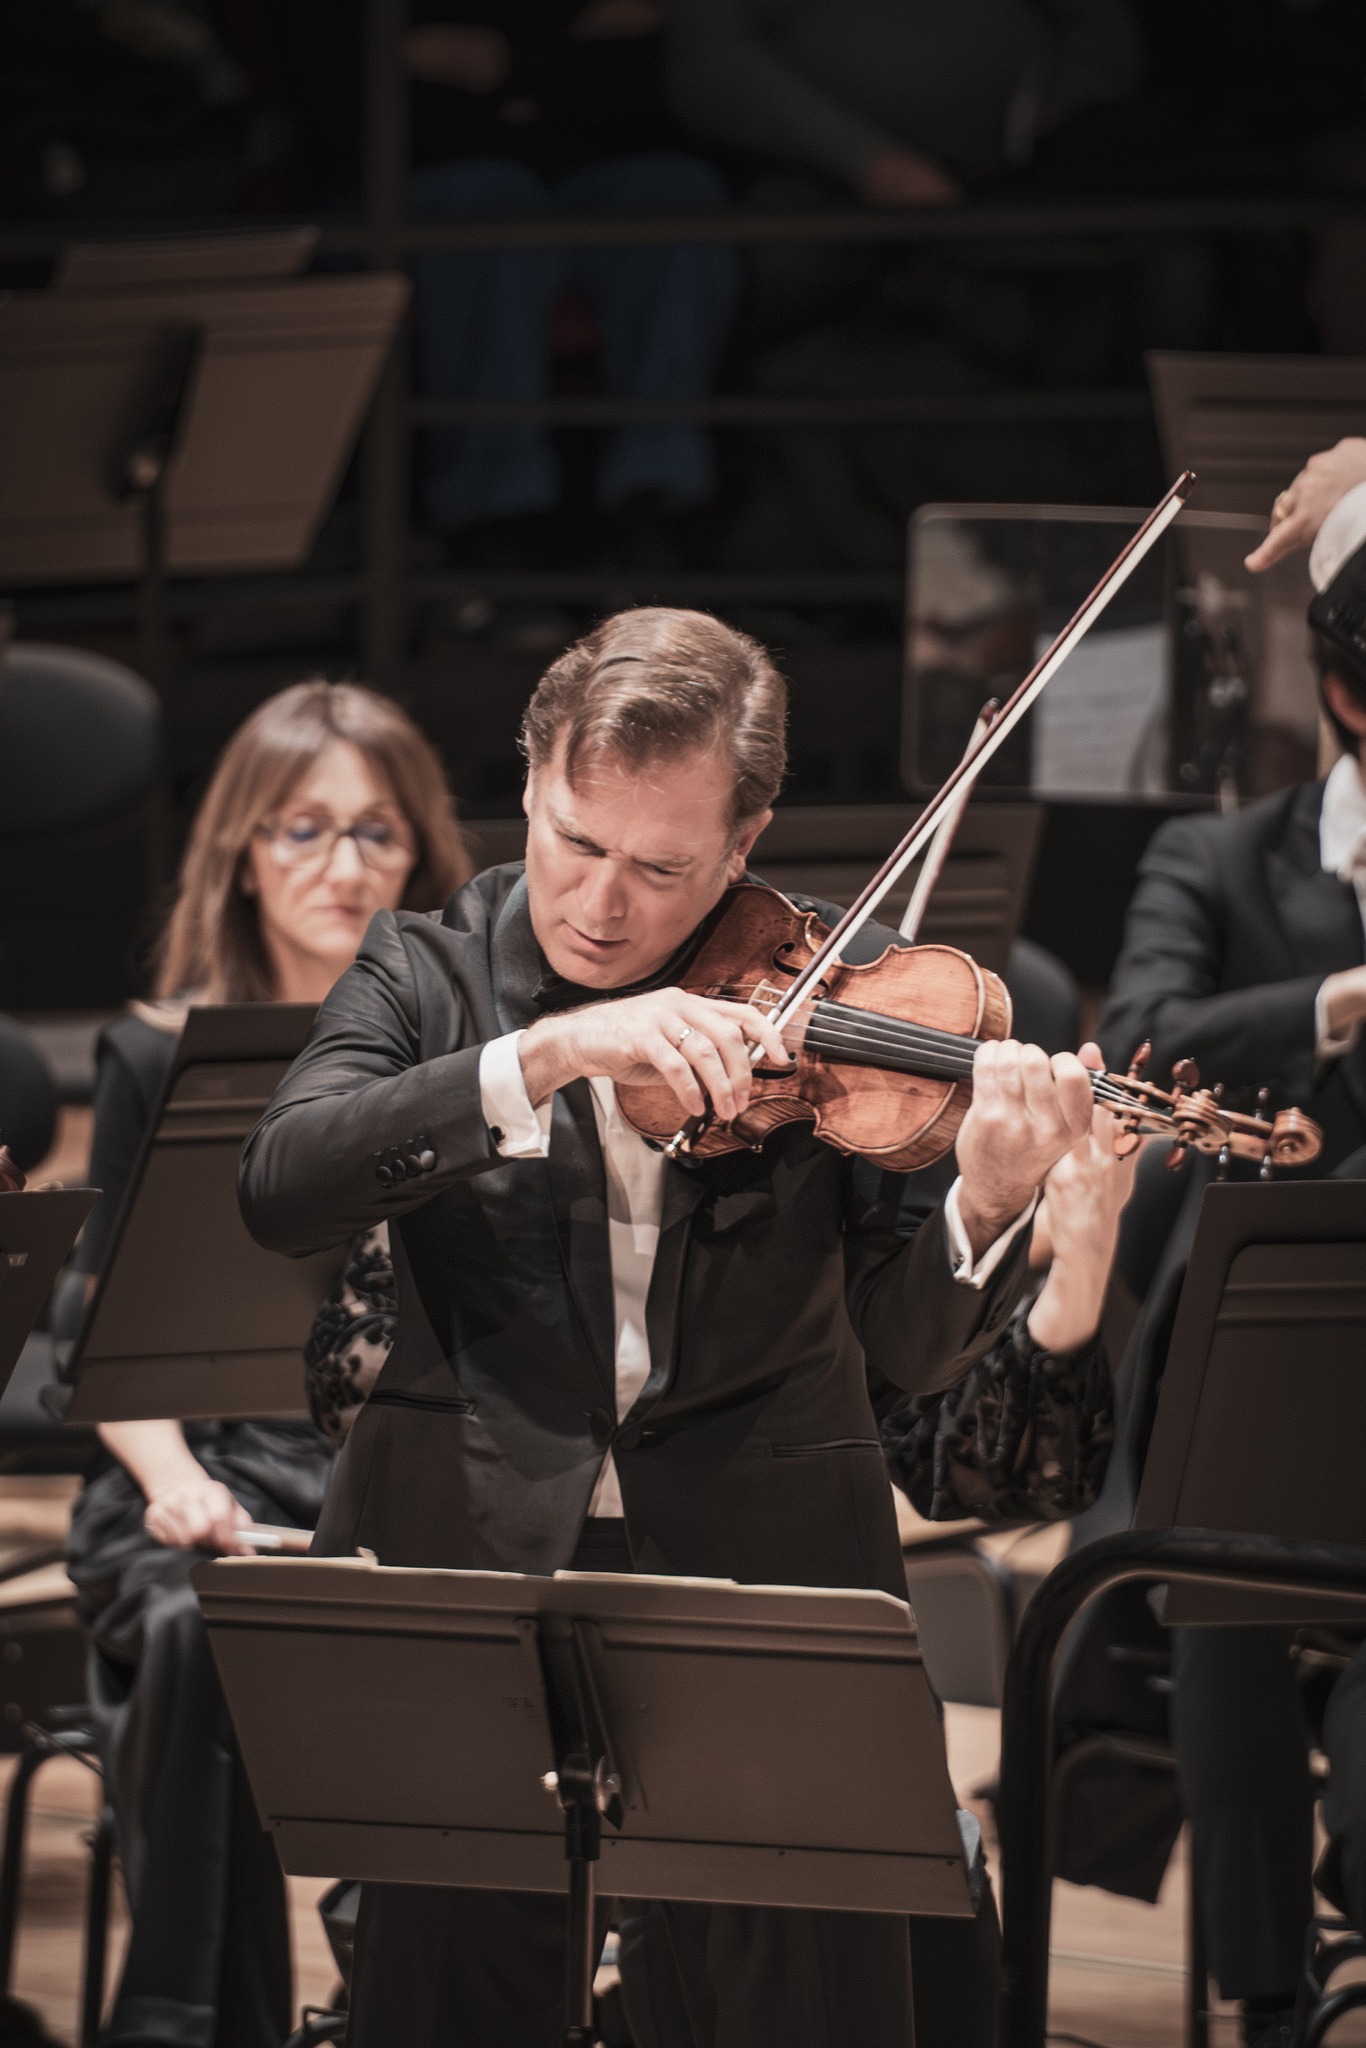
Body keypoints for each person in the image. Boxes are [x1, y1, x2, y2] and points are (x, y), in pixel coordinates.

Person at [241, 604, 1108, 2048]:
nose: (600, 904)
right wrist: (545, 1053)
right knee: (449, 2004)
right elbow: (281, 1184)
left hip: (764, 1571)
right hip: (473, 1561)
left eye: (662, 868)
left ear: (744, 839)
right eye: (576, 842)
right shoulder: (425, 972)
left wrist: (988, 1197)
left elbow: (900, 1356)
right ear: (532, 782)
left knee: (796, 2009)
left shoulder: (834, 993)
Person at [64, 681, 470, 2048]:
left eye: (375, 831)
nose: (340, 865)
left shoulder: (467, 1062)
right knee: (200, 1622)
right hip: (192, 1473)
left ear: (419, 857)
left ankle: (408, 1998)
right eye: (301, 829)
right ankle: (189, 2021)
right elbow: (101, 1339)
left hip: (385, 1474)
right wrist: (176, 1484)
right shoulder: (153, 1053)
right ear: (242, 850)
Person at [1099, 439, 1366, 2048]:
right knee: (1224, 1570)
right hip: (1255, 1359)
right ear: (1343, 699)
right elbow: (1138, 1043)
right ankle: (1264, 1989)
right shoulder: (1216, 860)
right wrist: (1335, 1000)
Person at [400, 1, 738, 560]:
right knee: (491, 207)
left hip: (588, 170)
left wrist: (507, 63)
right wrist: (561, 59)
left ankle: (653, 506)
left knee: (674, 194)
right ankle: (495, 526)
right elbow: (352, 85)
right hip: (426, 181)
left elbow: (643, 80)